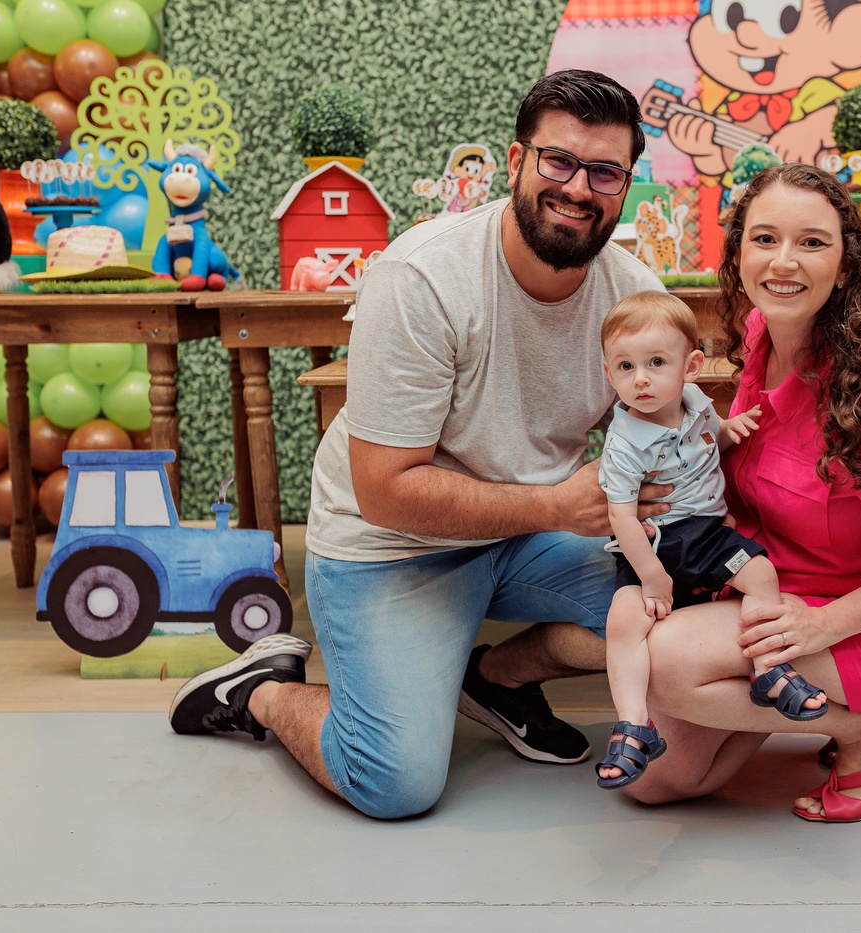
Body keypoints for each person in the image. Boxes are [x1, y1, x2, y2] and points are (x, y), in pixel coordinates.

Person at [167, 70, 667, 819]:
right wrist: (560, 505)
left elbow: (651, 439)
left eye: (604, 172)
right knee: (394, 782)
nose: (577, 188)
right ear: (516, 162)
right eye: (559, 161)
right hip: (391, 544)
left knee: (678, 612)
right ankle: (260, 690)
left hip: (528, 535)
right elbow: (385, 491)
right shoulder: (422, 276)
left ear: (625, 185)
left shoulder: (634, 294)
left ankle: (495, 678)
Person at [621, 162, 861, 823]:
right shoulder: (761, 338)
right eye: (765, 239)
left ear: (844, 267)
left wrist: (822, 625)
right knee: (658, 780)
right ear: (739, 254)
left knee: (665, 662)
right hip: (768, 594)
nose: (783, 261)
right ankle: (793, 695)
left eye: (812, 242)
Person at [592, 291, 828, 790]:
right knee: (624, 620)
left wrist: (727, 429)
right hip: (654, 544)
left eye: (656, 363)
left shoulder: (696, 404)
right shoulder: (624, 441)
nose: (640, 379)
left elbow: (706, 439)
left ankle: (768, 669)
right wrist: (651, 576)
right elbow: (621, 515)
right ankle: (634, 724)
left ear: (691, 367)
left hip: (706, 534)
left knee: (760, 573)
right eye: (626, 366)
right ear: (609, 373)